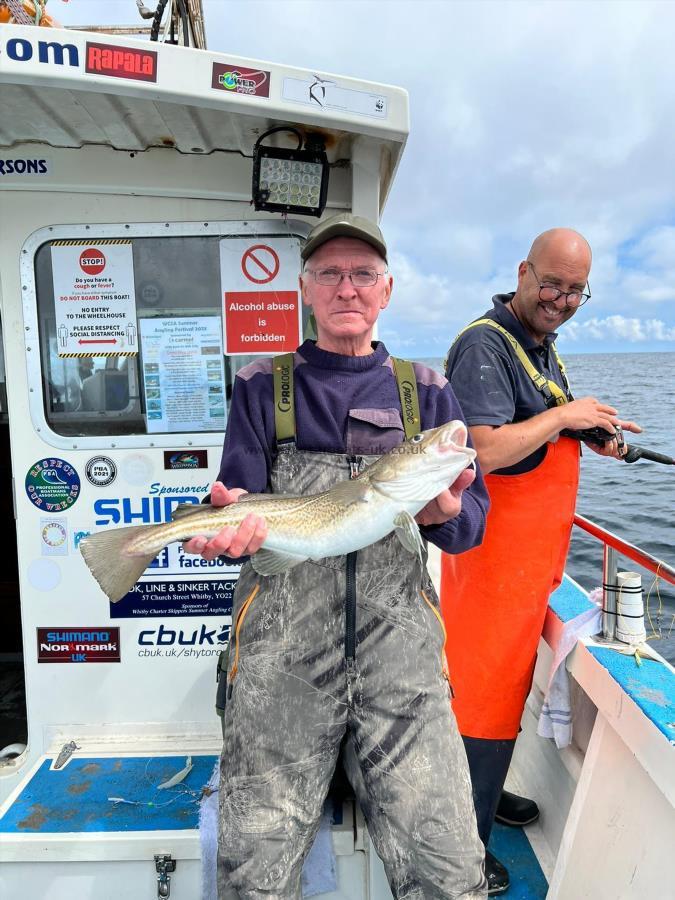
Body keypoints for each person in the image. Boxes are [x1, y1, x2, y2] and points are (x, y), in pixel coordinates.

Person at [184, 213, 489, 899]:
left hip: (401, 663)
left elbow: (470, 525)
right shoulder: (263, 385)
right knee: (253, 870)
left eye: (361, 275)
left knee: (449, 868)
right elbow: (240, 501)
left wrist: (444, 510)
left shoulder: (427, 392)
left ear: (387, 291)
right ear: (305, 290)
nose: (345, 288)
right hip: (281, 661)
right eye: (329, 274)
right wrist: (227, 526)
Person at [441, 228, 641, 895]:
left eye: (575, 290)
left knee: (504, 694)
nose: (560, 299)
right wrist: (564, 420)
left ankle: (487, 798)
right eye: (550, 283)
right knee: (478, 696)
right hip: (490, 563)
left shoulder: (537, 348)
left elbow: (539, 420)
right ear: (522, 272)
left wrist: (589, 429)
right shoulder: (484, 344)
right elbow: (487, 449)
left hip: (530, 566)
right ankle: (460, 847)